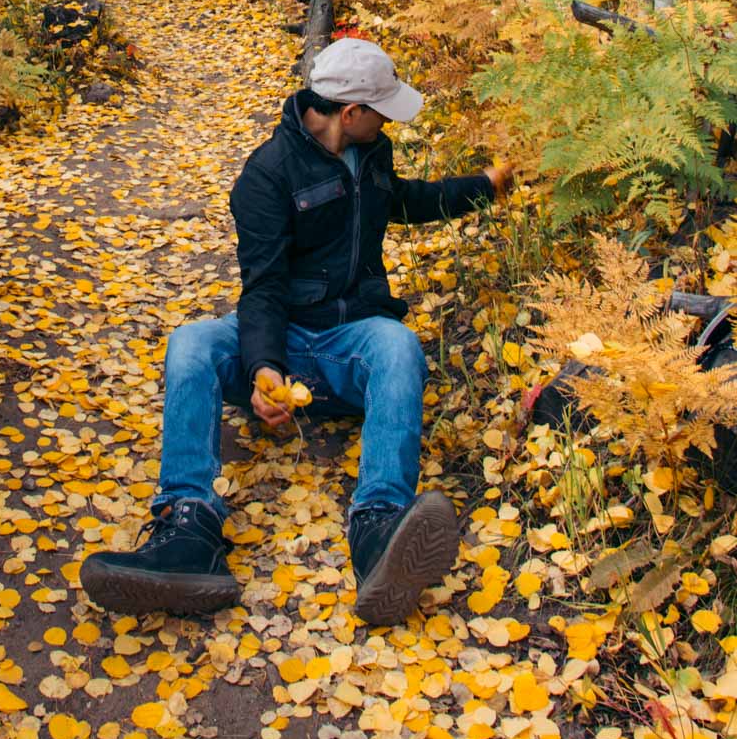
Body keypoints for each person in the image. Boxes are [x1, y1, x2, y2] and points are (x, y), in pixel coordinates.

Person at [80, 38, 512, 623]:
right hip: (282, 337)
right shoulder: (266, 176)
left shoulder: (371, 153)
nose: (390, 120)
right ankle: (188, 527)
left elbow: (406, 202)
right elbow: (263, 287)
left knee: (398, 344)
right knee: (191, 344)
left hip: (349, 347)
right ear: (350, 112)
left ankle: (379, 529)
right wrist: (264, 368)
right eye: (381, 109)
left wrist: (483, 186)